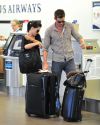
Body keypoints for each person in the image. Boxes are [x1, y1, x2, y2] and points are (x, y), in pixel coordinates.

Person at [43, 9, 86, 89]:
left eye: (63, 21)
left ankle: (71, 101)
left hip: (70, 60)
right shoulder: (49, 30)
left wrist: (82, 42)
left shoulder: (69, 26)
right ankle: (56, 101)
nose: (61, 23)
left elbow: (78, 37)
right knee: (56, 84)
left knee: (74, 82)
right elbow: (45, 48)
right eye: (59, 21)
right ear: (55, 18)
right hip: (57, 61)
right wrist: (45, 62)